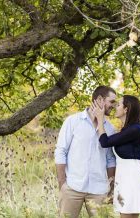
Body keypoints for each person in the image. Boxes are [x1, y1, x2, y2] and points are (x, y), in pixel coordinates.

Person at [54, 86, 117, 217]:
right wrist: (62, 184)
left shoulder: (110, 129)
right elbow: (61, 152)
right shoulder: (73, 121)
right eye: (111, 102)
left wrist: (111, 189)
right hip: (72, 187)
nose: (114, 106)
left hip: (99, 190)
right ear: (99, 99)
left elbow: (110, 159)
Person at [91, 95, 140, 218]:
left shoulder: (135, 129)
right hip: (124, 178)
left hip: (131, 179)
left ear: (126, 109)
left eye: (119, 105)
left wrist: (100, 118)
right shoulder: (127, 130)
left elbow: (105, 142)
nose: (116, 107)